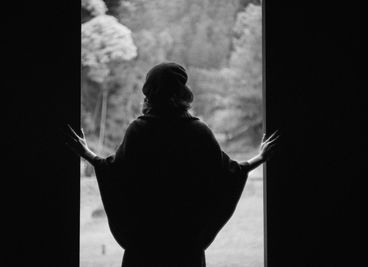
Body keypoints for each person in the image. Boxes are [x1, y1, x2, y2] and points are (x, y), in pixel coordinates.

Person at [65, 62, 279, 267]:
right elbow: (229, 174)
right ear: (182, 94)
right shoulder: (198, 133)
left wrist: (86, 153)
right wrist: (259, 157)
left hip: (144, 247)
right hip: (185, 248)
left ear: (149, 94)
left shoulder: (139, 132)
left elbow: (113, 172)